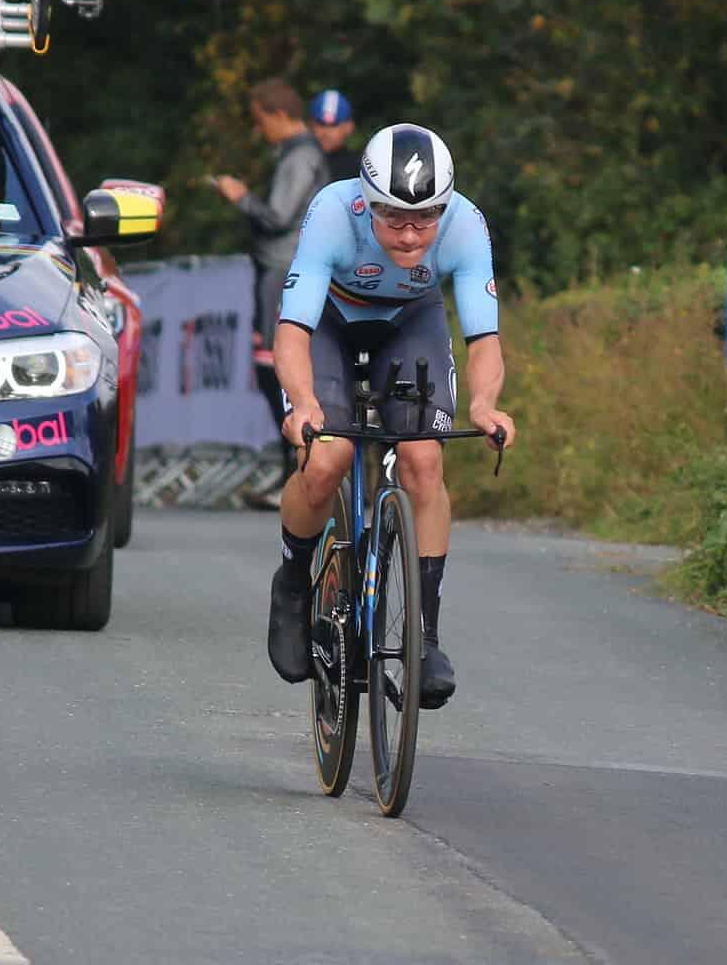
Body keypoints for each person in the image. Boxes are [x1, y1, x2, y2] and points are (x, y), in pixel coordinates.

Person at [268, 122, 516, 708]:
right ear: (367, 201)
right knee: (328, 455)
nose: (409, 236)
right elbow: (292, 330)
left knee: (424, 460)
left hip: (410, 321)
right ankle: (292, 585)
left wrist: (484, 404)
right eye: (394, 220)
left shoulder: (466, 224)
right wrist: (304, 403)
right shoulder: (332, 212)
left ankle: (424, 638)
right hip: (330, 321)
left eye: (425, 219)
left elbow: (483, 338)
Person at [208, 79, 330, 487]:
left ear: (280, 115)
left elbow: (278, 216)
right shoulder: (297, 154)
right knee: (270, 367)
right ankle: (293, 467)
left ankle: (298, 467)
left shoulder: (302, 156)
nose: (260, 132)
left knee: (275, 367)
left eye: (261, 122)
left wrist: (240, 196)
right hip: (279, 269)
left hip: (285, 270)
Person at [308, 89, 360, 183]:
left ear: (349, 126)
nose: (326, 132)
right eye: (321, 124)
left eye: (334, 125)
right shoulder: (301, 162)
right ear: (311, 124)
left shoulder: (359, 170)